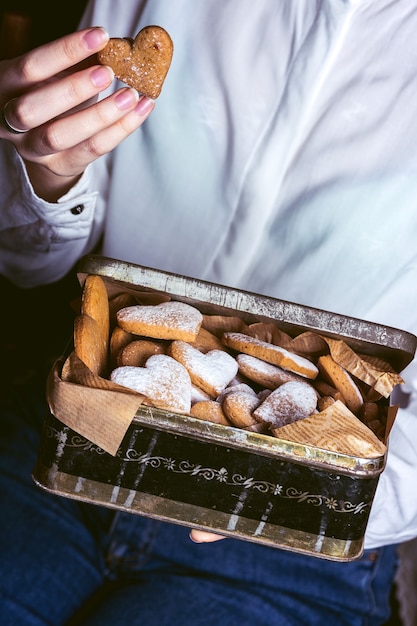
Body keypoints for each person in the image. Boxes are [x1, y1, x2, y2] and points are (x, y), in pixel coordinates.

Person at [1, 0, 417, 624]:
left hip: (288, 549)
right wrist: (41, 172)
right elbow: (33, 263)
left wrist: (314, 494)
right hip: (70, 436)